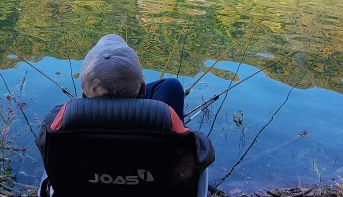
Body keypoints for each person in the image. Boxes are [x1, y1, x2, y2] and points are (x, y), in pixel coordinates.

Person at [35, 34, 213, 170]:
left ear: (83, 94)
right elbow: (197, 152)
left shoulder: (60, 119)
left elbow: (47, 153)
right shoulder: (165, 118)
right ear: (143, 88)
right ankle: (130, 93)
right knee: (170, 86)